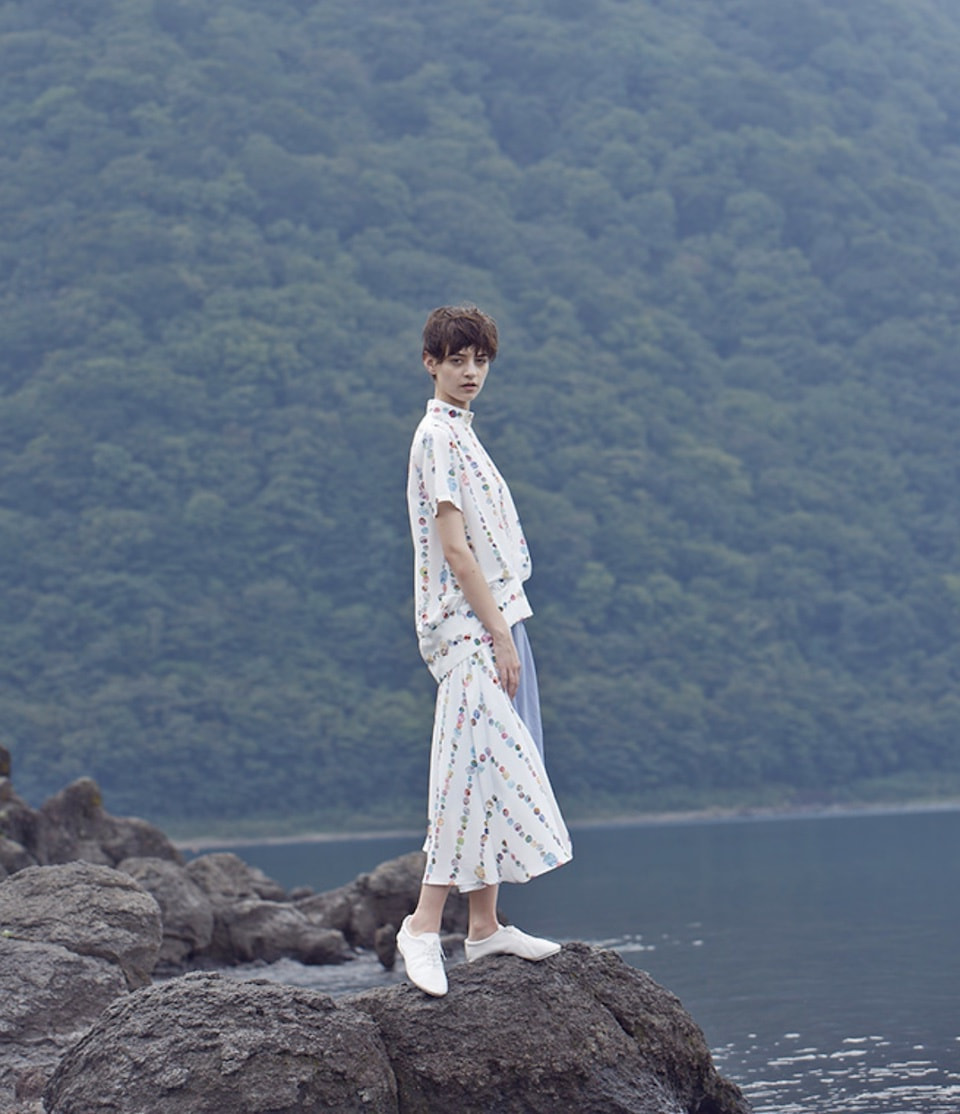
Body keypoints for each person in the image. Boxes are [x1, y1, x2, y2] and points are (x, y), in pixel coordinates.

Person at [399, 304, 572, 997]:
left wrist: (504, 627)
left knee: (492, 768)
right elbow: (456, 551)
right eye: (457, 360)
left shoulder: (461, 434)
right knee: (462, 770)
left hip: (495, 619)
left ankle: (484, 927)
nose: (470, 372)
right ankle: (421, 926)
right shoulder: (437, 438)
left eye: (480, 360)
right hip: (473, 627)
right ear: (431, 363)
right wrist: (499, 633)